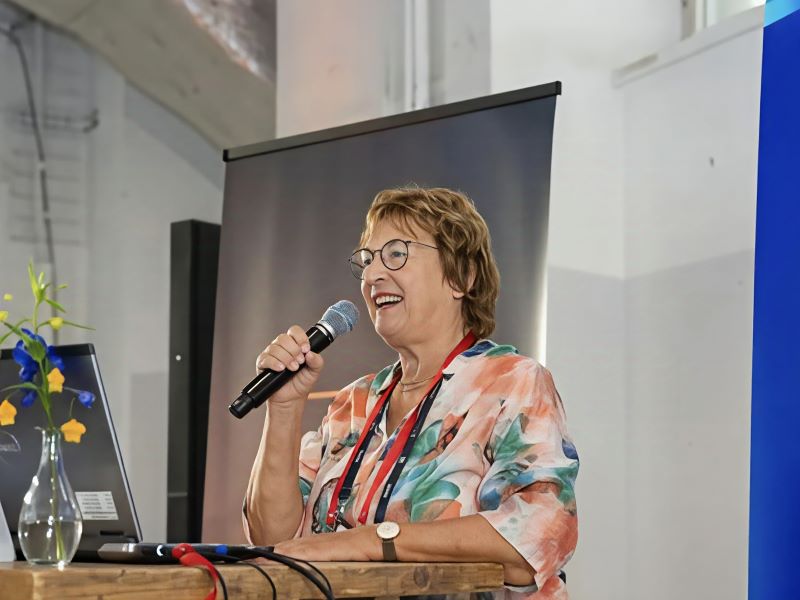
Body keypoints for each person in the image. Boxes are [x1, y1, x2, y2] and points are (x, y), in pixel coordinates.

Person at [244, 187, 578, 599]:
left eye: (396, 254)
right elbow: (273, 541)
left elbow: (540, 535)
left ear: (461, 277)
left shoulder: (512, 383)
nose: (371, 275)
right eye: (367, 260)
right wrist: (285, 407)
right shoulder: (354, 403)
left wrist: (370, 542)